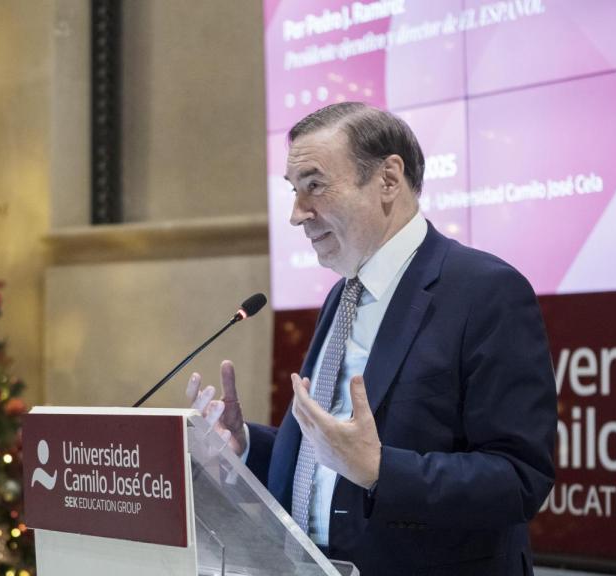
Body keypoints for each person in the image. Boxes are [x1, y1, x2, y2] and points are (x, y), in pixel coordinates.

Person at [188, 102, 557, 575]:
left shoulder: (485, 291)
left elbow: (519, 478)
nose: (297, 215)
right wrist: (245, 444)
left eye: (314, 186)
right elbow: (329, 458)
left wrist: (383, 470)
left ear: (387, 179)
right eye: (293, 191)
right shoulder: (343, 295)